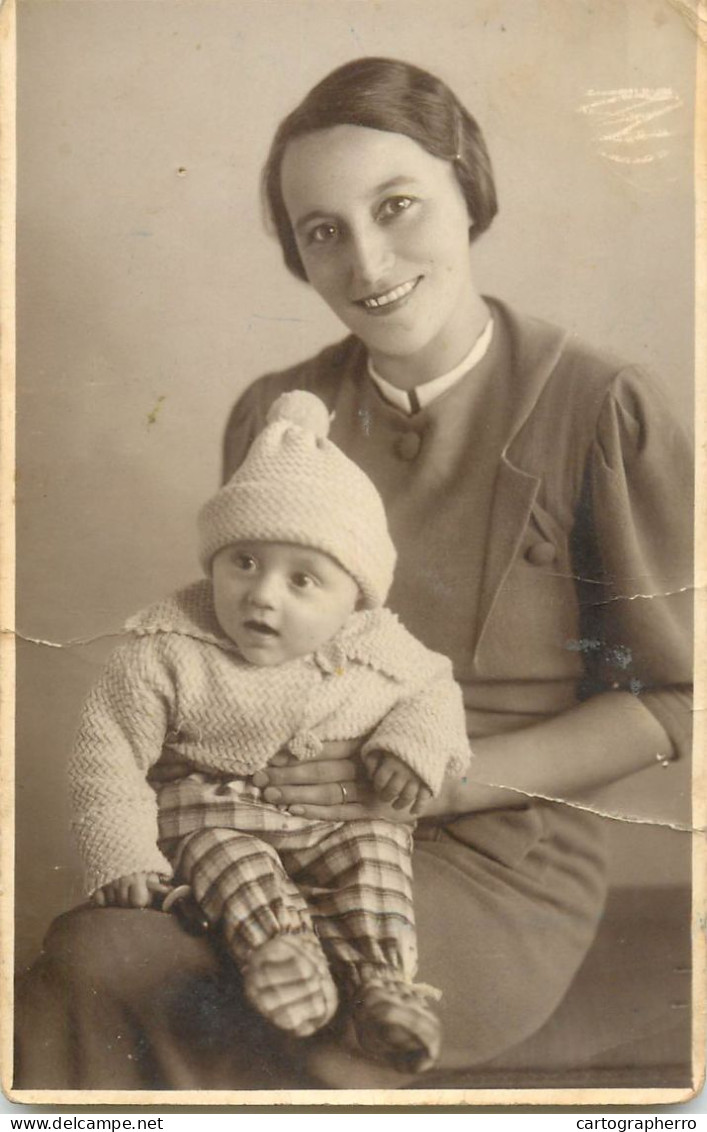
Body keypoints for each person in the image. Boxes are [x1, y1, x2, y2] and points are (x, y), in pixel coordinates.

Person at [15, 57, 692, 1091]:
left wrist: (444, 783)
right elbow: (228, 652)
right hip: (266, 829)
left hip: (499, 856)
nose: (367, 261)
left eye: (398, 207)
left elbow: (677, 700)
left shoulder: (600, 406)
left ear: (467, 188)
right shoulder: (273, 417)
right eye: (321, 231)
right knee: (91, 957)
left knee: (307, 1023)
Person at [69, 390, 470, 1073]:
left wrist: (414, 747)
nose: (262, 595)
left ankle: (381, 986)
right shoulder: (167, 646)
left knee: (377, 855)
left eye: (302, 579)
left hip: (340, 828)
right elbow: (104, 748)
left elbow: (434, 692)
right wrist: (124, 852)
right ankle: (286, 962)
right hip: (220, 823)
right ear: (214, 561)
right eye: (244, 562)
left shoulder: (378, 645)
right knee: (230, 858)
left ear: (355, 599)